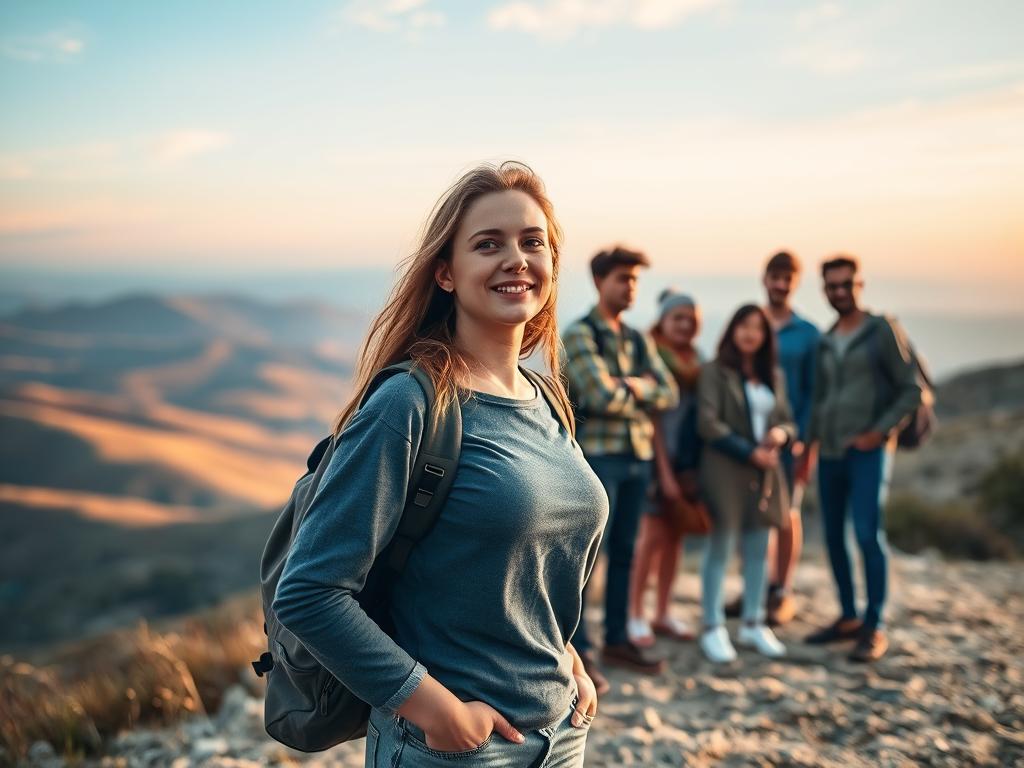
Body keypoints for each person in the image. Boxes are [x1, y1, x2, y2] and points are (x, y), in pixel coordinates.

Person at [272, 161, 608, 767]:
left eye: (534, 241)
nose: (517, 258)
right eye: (488, 244)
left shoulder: (548, 396)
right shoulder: (409, 402)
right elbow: (309, 591)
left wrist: (567, 659)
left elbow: (526, 571)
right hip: (455, 749)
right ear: (446, 274)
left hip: (562, 737)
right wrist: (435, 711)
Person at [562, 246, 679, 690]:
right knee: (588, 558)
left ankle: (616, 641)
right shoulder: (580, 334)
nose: (630, 287)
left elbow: (669, 392)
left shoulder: (637, 338)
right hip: (599, 459)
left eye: (634, 280)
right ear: (599, 282)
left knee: (626, 554)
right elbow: (598, 396)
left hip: (639, 457)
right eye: (622, 279)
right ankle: (580, 651)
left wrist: (628, 386)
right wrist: (640, 388)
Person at [805, 254, 921, 662]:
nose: (839, 292)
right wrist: (810, 441)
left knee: (869, 535)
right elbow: (821, 398)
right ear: (824, 290)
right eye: (832, 286)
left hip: (868, 452)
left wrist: (880, 431)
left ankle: (875, 626)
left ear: (859, 285)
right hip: (831, 452)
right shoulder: (826, 337)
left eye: (846, 284)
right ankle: (848, 617)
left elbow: (913, 389)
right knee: (834, 537)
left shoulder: (880, 330)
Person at [697, 304, 798, 663]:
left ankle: (754, 623)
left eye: (758, 327)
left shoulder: (774, 375)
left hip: (766, 472)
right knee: (720, 549)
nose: (750, 333)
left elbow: (789, 421)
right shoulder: (713, 371)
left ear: (766, 336)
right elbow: (707, 423)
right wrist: (748, 451)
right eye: (743, 325)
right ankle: (712, 627)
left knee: (759, 549)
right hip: (725, 469)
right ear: (732, 329)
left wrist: (780, 434)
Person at [627, 289, 704, 647]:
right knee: (651, 539)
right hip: (656, 461)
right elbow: (653, 422)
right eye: (678, 318)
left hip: (687, 462)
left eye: (690, 319)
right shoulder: (652, 358)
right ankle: (634, 614)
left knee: (675, 539)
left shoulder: (698, 362)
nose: (685, 325)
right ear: (663, 320)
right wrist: (665, 474)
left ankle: (662, 612)